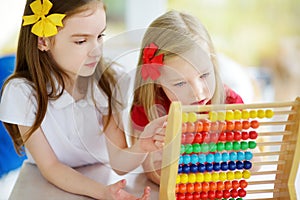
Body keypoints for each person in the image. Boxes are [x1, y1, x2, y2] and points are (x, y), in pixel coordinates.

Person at [0, 0, 167, 199]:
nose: (96, 50)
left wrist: (141, 147)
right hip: (48, 184)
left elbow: (119, 164)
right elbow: (51, 167)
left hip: (102, 175)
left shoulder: (110, 80)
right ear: (43, 40)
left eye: (100, 36)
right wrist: (102, 193)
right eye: (81, 41)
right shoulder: (22, 92)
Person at [130, 10, 244, 185]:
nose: (198, 93)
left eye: (204, 75)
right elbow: (153, 171)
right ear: (157, 80)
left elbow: (252, 160)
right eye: (180, 83)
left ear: (213, 63)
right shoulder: (149, 108)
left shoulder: (230, 103)